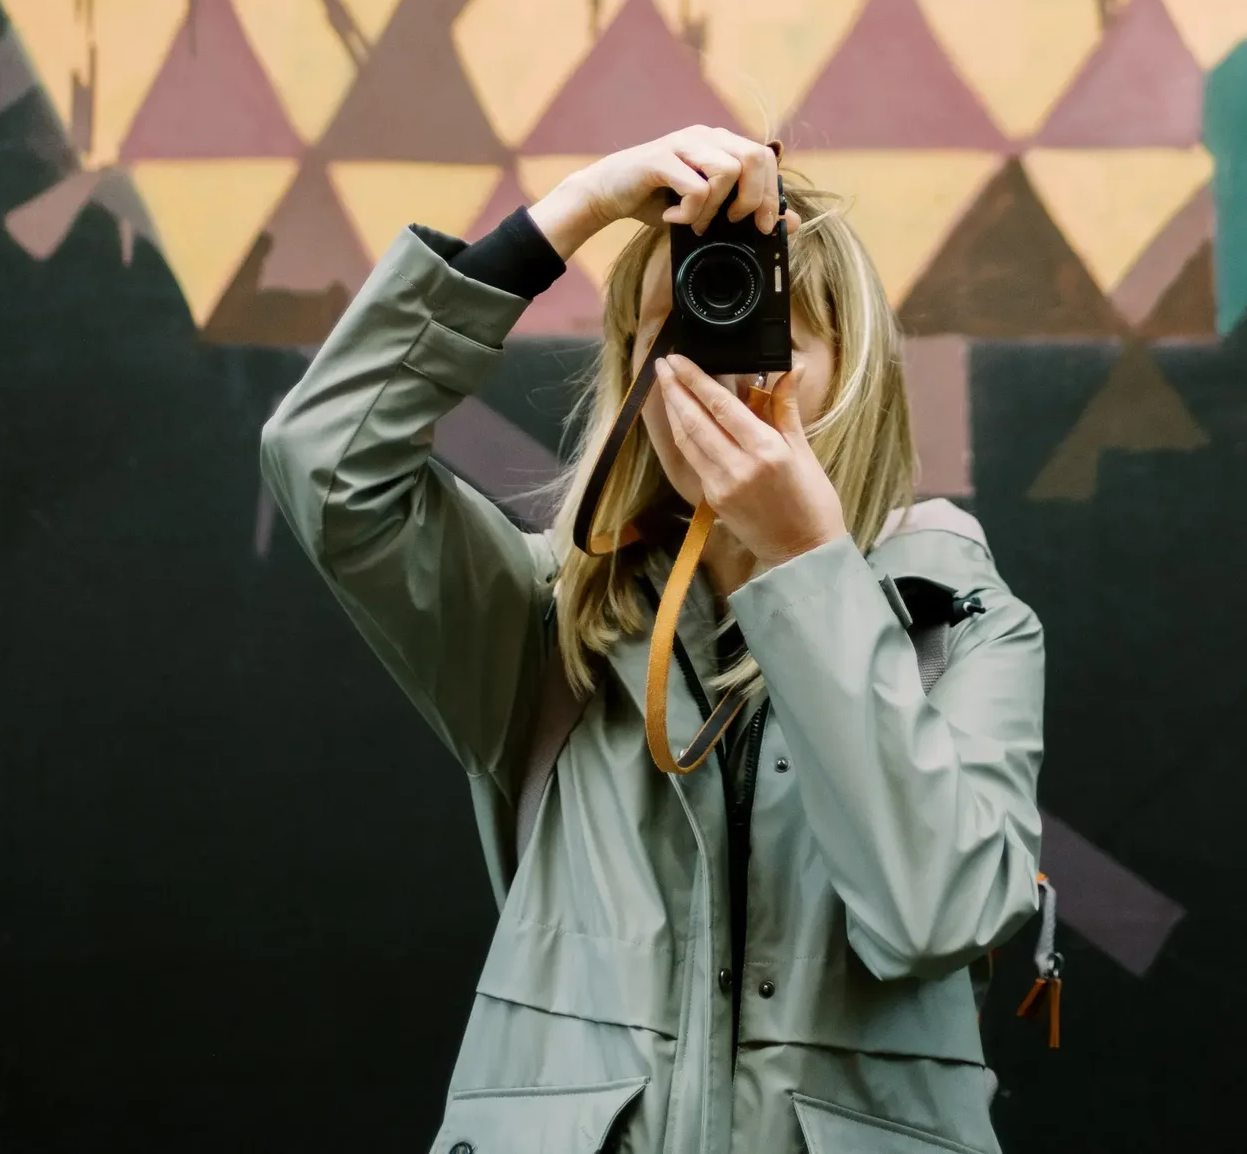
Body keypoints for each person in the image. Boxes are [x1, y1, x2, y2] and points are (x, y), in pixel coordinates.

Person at [260, 126, 1048, 1154]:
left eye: (758, 332)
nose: (710, 370)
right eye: (666, 336)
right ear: (629, 372)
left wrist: (801, 561)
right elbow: (324, 459)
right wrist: (571, 213)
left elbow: (934, 913)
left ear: (852, 376)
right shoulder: (546, 622)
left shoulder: (963, 626)